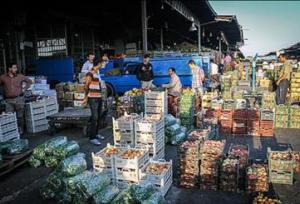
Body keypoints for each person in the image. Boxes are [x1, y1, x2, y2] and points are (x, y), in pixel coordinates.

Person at [0, 62, 32, 134]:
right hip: (8, 100)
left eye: (16, 68)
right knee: (9, 116)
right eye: (14, 68)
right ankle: (11, 131)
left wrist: (24, 89)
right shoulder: (3, 77)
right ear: (9, 69)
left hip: (19, 99)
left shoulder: (20, 76)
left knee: (20, 116)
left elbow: (30, 82)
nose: (16, 69)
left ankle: (20, 130)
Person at [84, 59, 106, 145]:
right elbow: (86, 86)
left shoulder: (97, 73)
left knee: (99, 116)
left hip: (98, 97)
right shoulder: (90, 73)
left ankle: (96, 134)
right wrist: (86, 97)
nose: (103, 65)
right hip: (92, 98)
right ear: (99, 64)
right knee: (94, 117)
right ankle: (92, 138)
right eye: (102, 64)